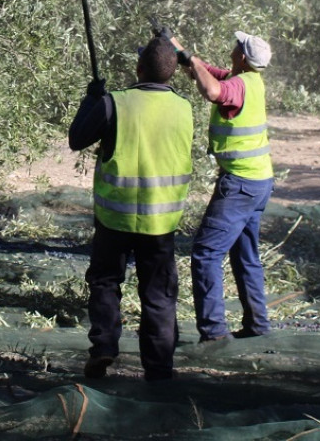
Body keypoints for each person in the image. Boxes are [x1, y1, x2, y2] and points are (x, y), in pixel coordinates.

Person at [68, 36, 193, 381]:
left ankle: (104, 347)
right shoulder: (184, 108)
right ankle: (159, 367)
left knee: (106, 283)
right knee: (159, 295)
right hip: (161, 222)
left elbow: (77, 139)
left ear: (138, 69)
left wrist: (90, 100)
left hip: (115, 218)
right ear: (172, 73)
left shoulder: (114, 103)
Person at [168, 29, 274, 342]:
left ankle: (214, 333)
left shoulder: (238, 85)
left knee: (205, 254)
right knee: (246, 255)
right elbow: (202, 71)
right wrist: (174, 43)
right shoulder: (249, 80)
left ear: (242, 56)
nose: (232, 49)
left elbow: (213, 91)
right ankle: (258, 326)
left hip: (240, 185)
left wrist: (185, 57)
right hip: (258, 182)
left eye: (236, 47)